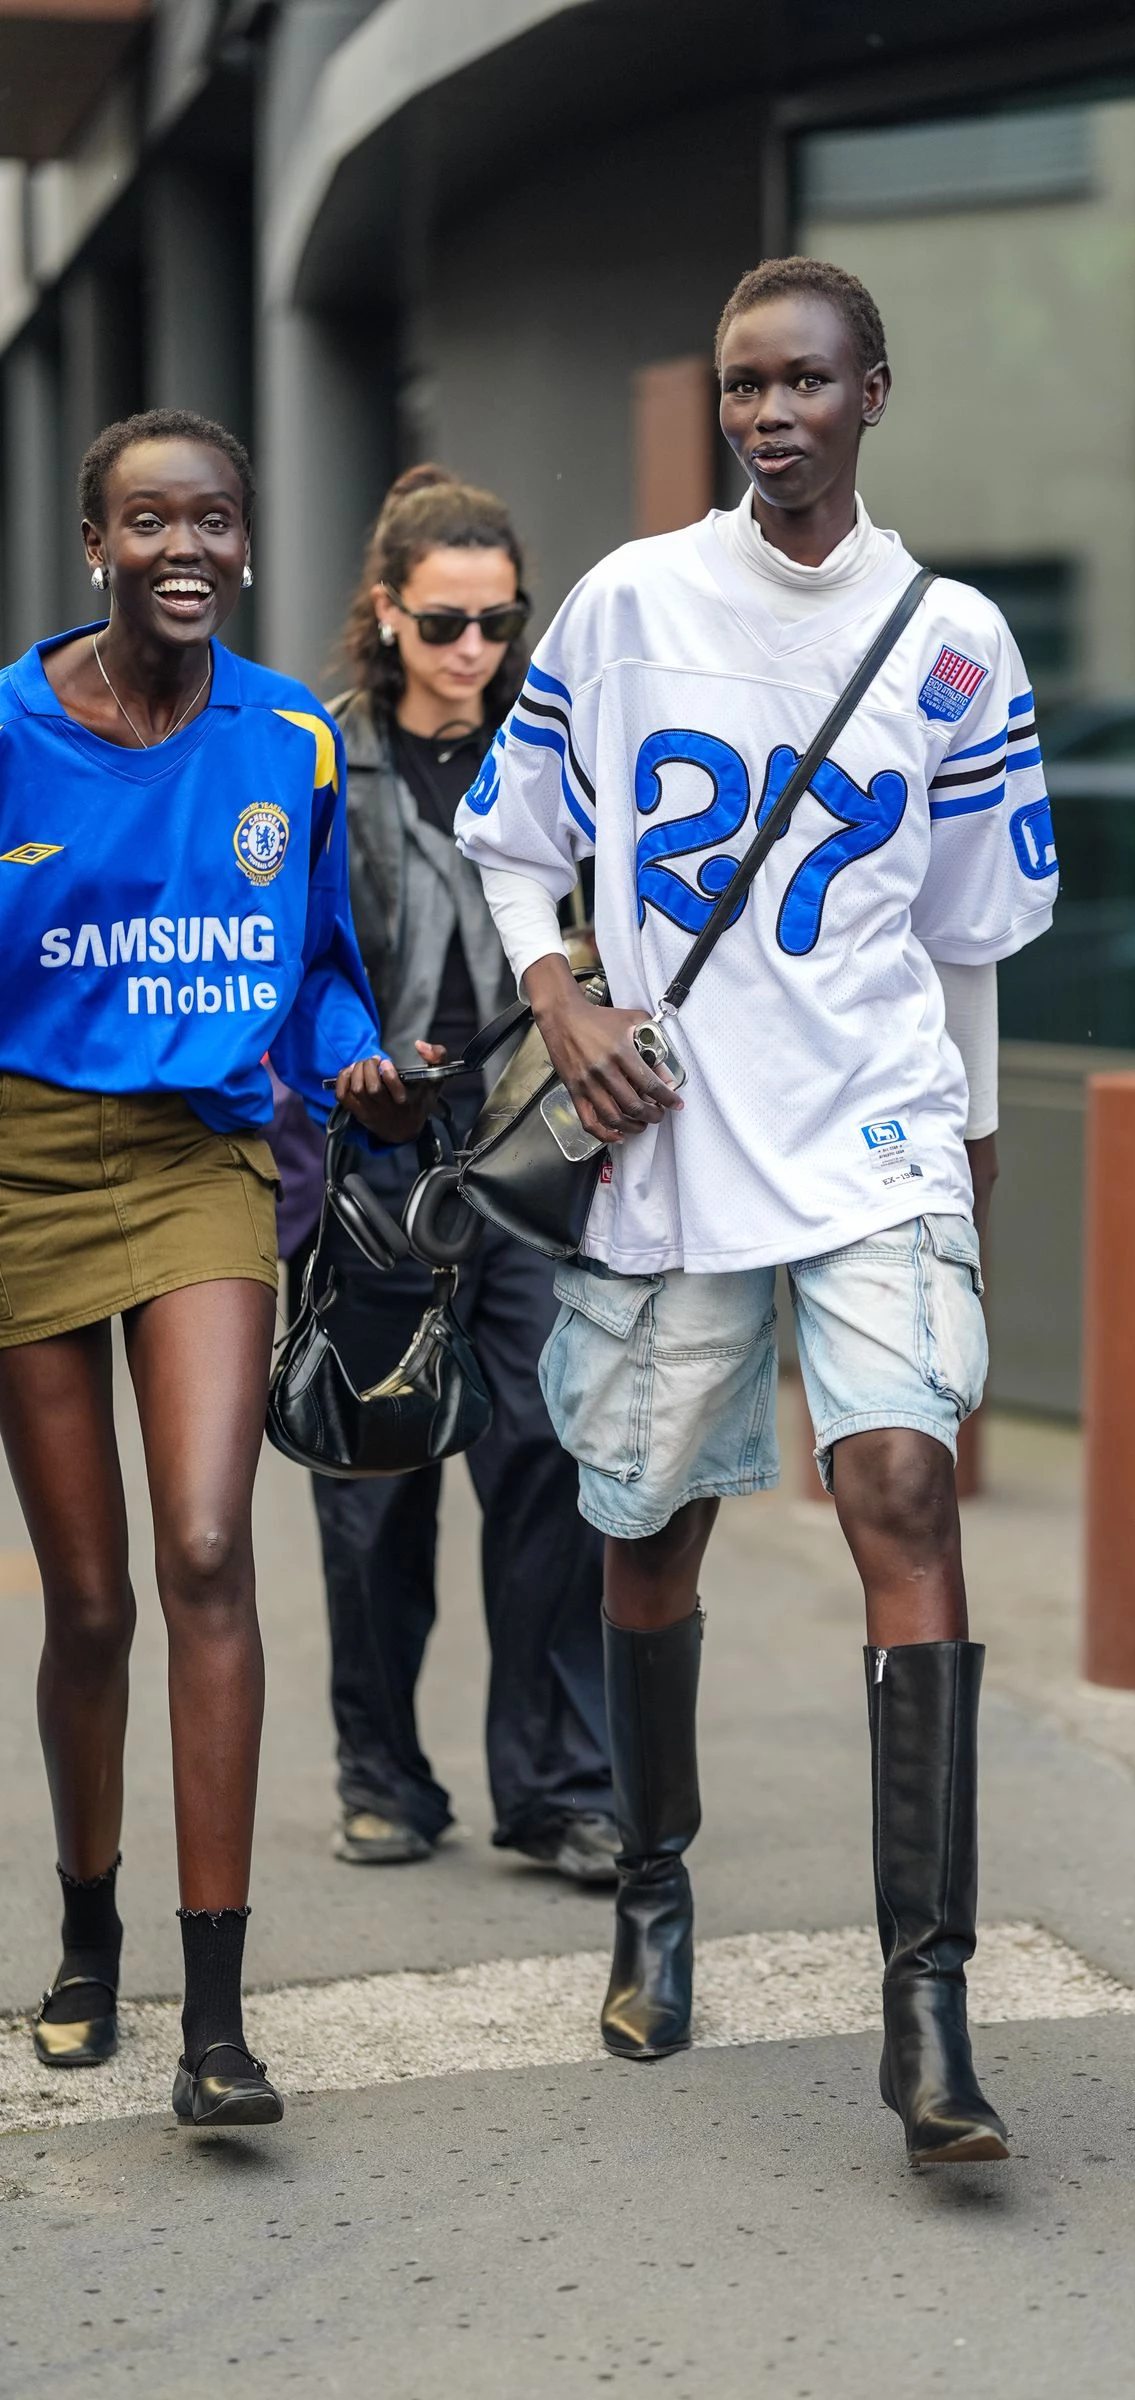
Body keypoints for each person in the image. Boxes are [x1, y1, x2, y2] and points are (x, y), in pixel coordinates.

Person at [456, 255, 1056, 2165]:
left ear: (873, 393)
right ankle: (654, 1891)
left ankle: (928, 2005)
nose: (770, 414)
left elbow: (968, 940)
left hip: (873, 1133)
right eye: (743, 385)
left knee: (903, 1489)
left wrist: (972, 1149)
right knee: (651, 1528)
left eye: (804, 381)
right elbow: (512, 846)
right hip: (672, 1143)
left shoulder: (954, 640)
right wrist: (565, 1004)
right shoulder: (630, 602)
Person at [0, 408, 424, 2128]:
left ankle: (219, 2023)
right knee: (89, 1600)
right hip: (24, 1157)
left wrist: (359, 1063)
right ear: (95, 544)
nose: (185, 546)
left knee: (203, 1546)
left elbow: (316, 970)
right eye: (149, 519)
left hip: (204, 1156)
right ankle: (88, 1931)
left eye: (215, 519)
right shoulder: (10, 731)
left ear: (245, 542)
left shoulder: (290, 741)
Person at [291, 464, 614, 1880]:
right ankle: (382, 1776)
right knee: (374, 1482)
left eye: (498, 622)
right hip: (380, 1168)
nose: (474, 649)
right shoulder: (323, 758)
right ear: (387, 613)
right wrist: (350, 1056)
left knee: (549, 1457)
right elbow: (296, 956)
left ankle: (556, 1789)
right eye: (444, 623)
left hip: (531, 1156)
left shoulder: (554, 758)